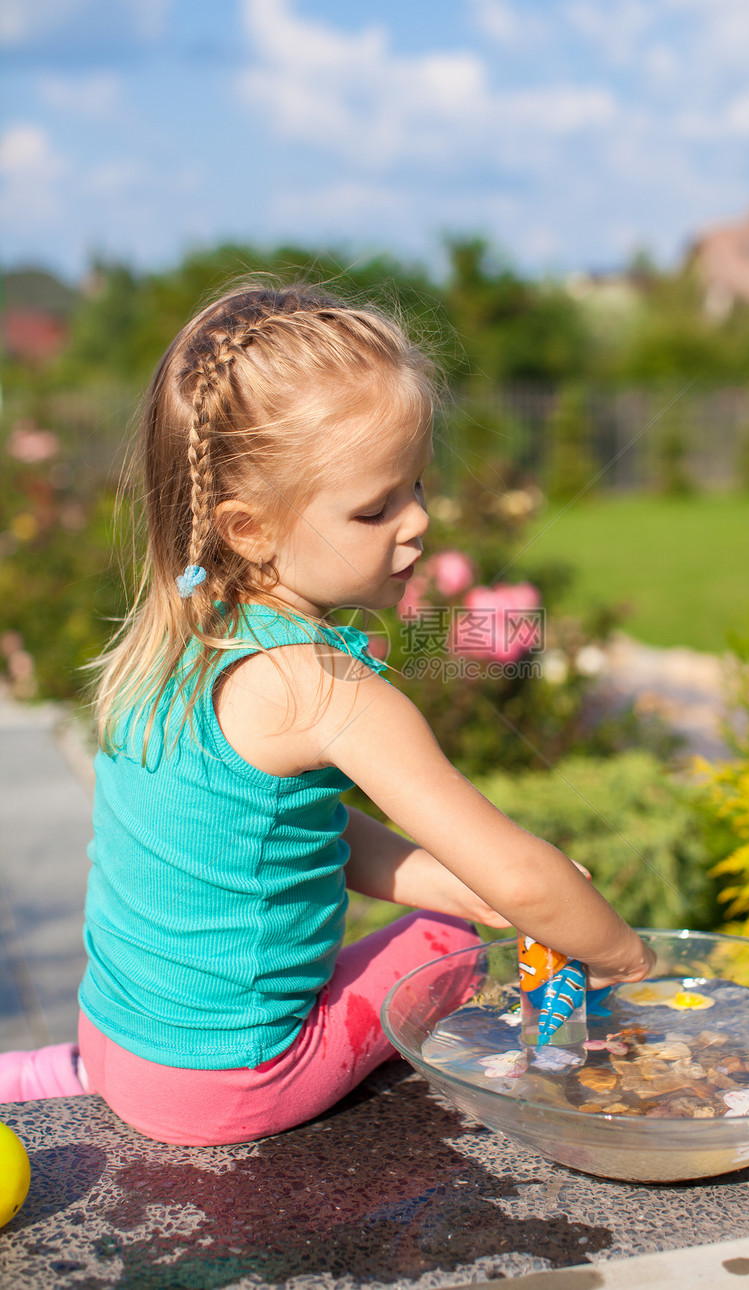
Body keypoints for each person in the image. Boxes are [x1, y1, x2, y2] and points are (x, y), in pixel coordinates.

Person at [0, 283, 655, 1143]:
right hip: (227, 1088)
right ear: (247, 529)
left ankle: (58, 1074)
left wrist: (458, 880)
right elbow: (529, 879)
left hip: (117, 1038)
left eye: (416, 483)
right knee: (448, 949)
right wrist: (635, 964)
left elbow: (281, 833)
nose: (419, 520)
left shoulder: (183, 639)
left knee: (468, 904)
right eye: (375, 507)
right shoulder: (325, 688)